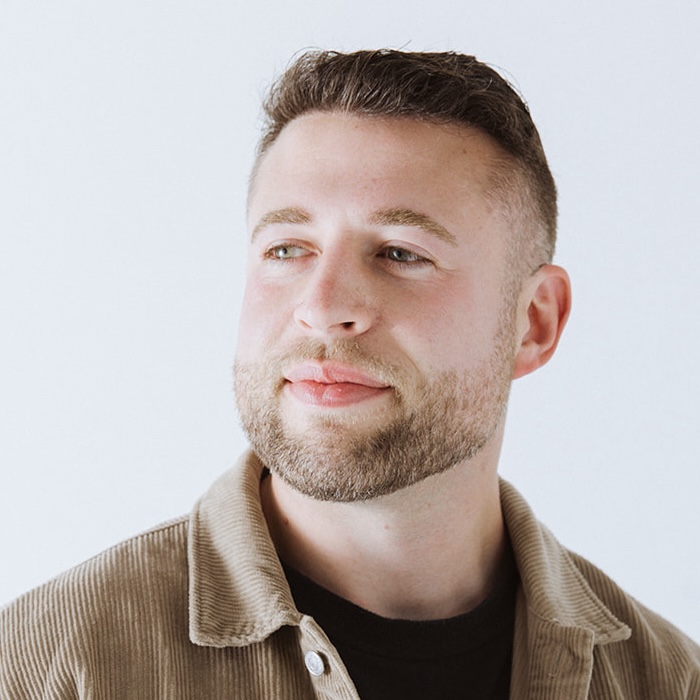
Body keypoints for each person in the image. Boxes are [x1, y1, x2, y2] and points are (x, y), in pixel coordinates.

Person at [1, 49, 698, 699]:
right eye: (287, 248)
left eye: (400, 253)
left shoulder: (669, 682)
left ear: (535, 321)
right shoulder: (48, 669)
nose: (323, 306)